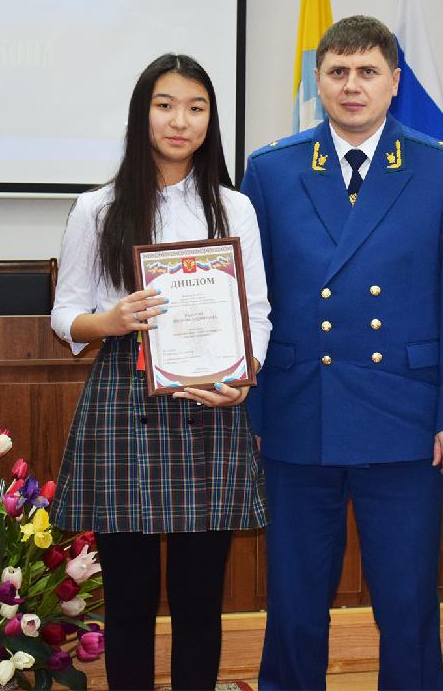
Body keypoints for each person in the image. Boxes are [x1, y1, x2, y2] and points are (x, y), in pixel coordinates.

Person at [240, 15, 443, 690]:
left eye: (367, 71)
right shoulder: (270, 170)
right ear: (316, 82)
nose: (352, 85)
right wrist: (254, 412)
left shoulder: (439, 169)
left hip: (406, 420)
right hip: (298, 415)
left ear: (393, 83)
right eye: (338, 71)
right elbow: (250, 300)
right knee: (293, 601)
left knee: (406, 604)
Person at [50, 53, 271, 691]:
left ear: (211, 122)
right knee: (128, 603)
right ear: (142, 113)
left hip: (211, 405)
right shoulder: (96, 209)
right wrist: (111, 319)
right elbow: (65, 317)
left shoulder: (235, 209)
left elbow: (257, 311)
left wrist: (243, 377)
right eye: (166, 105)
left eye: (196, 108)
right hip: (125, 400)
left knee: (202, 604)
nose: (181, 121)